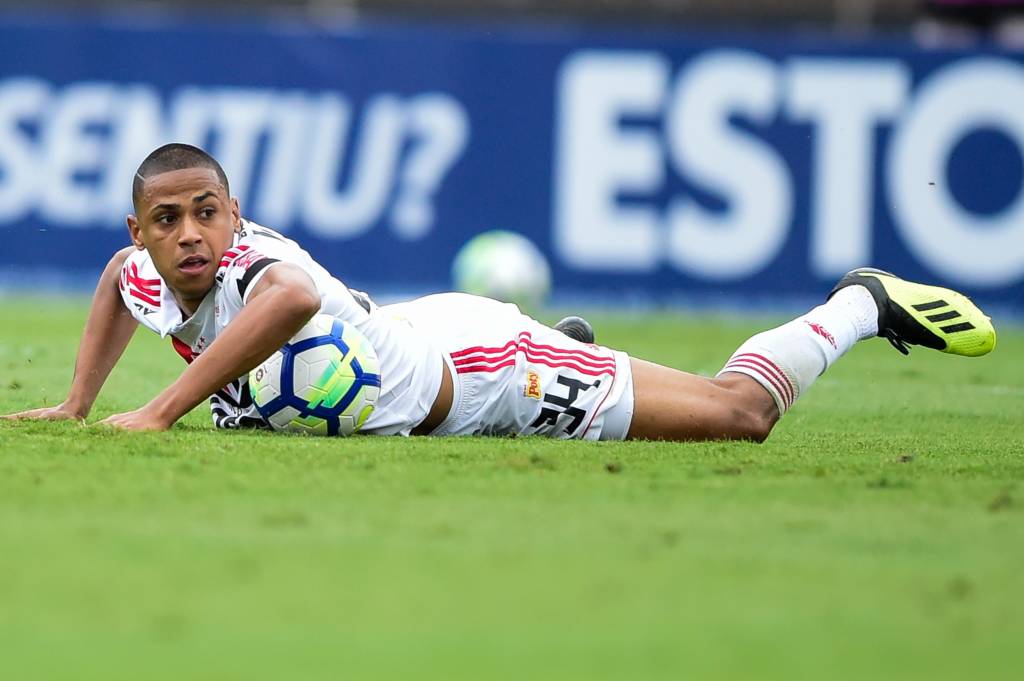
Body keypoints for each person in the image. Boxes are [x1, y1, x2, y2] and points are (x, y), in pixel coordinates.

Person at [2, 144, 996, 440]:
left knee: (739, 416)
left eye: (207, 213)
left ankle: (859, 303)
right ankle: (577, 348)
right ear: (140, 230)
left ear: (236, 214)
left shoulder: (257, 267)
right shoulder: (140, 269)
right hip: (415, 335)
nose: (190, 234)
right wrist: (79, 401)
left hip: (487, 374)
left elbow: (294, 299)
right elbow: (114, 284)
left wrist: (159, 410)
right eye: (167, 220)